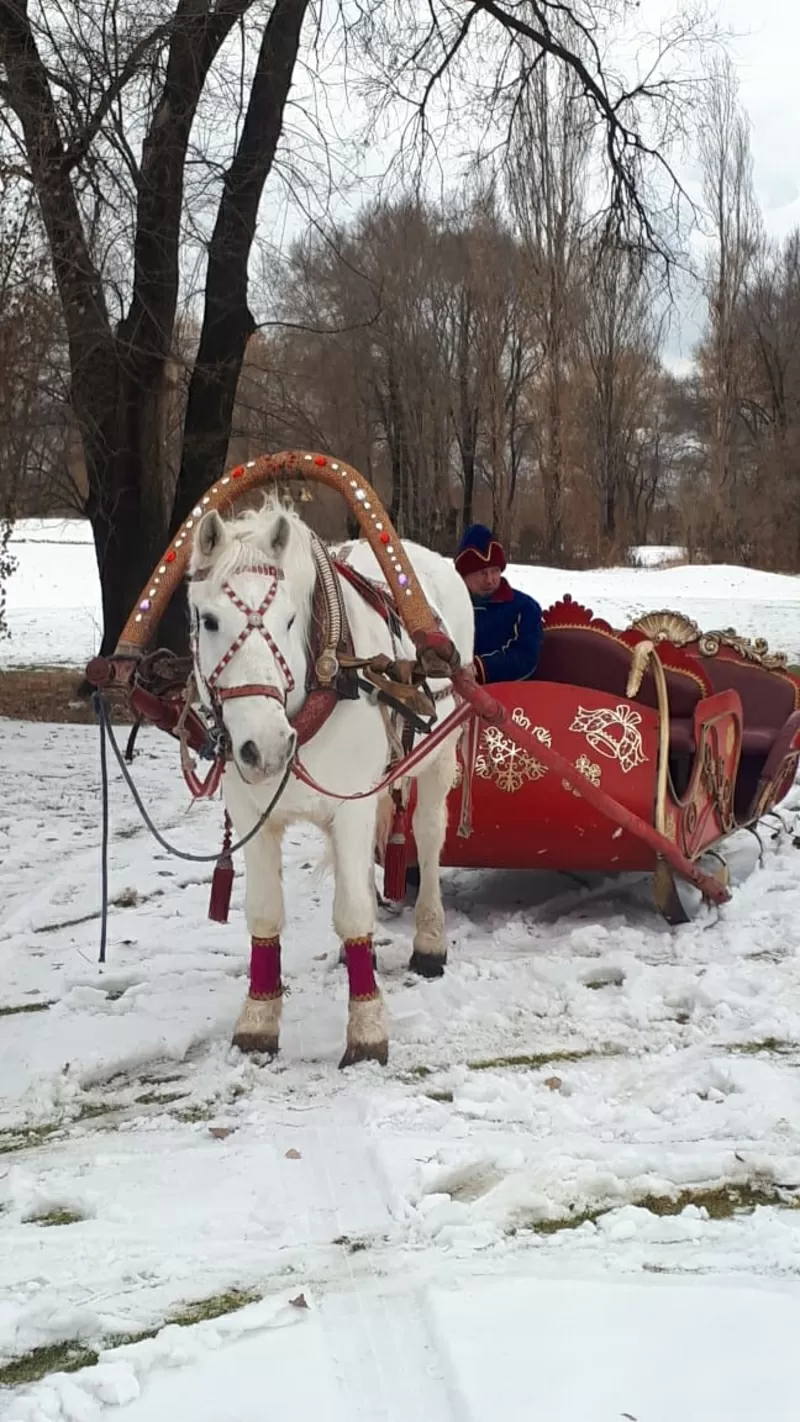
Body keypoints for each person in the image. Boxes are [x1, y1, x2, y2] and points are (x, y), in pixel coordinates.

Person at [454, 523, 543, 683]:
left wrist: (480, 668)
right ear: (464, 576)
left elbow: (525, 657)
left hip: (512, 697)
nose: (490, 580)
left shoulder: (525, 608)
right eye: (482, 573)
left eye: (494, 571)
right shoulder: (450, 606)